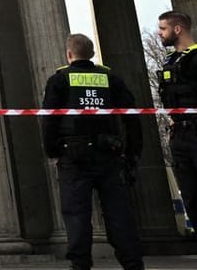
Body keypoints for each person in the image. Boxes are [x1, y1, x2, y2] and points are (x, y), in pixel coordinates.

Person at [40, 33, 144, 270]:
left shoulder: (59, 80)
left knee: (76, 215)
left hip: (73, 155)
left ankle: (80, 265)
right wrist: (132, 153)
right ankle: (133, 264)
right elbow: (132, 118)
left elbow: (49, 120)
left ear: (69, 55)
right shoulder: (110, 78)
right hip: (109, 153)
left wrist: (52, 150)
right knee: (119, 215)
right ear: (93, 53)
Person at [158, 9, 197, 270]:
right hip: (181, 137)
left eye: (162, 28)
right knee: (193, 198)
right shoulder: (171, 61)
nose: (159, 33)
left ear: (177, 29)